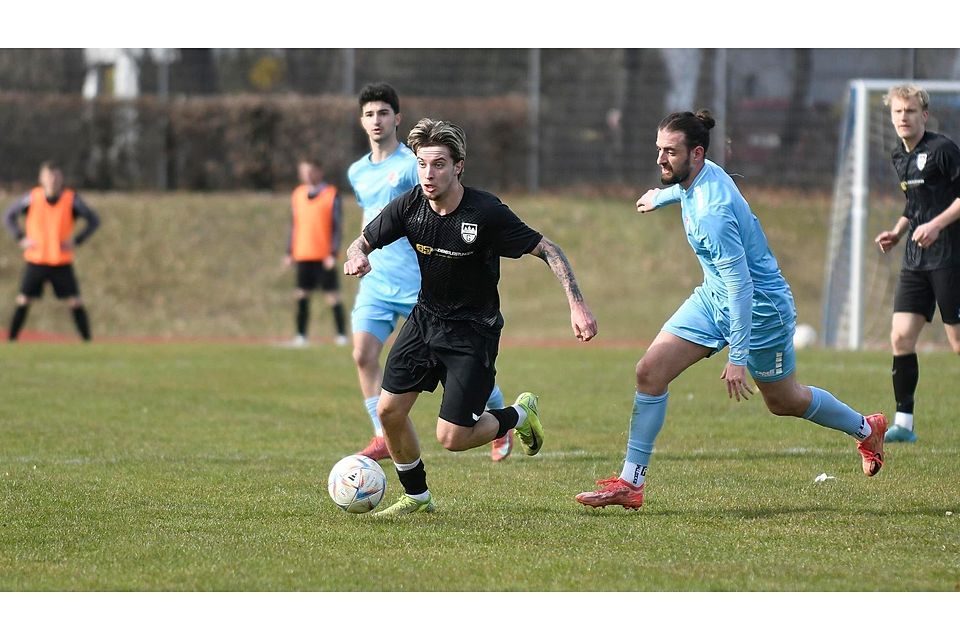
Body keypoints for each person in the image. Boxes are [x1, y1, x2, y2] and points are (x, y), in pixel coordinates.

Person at [575, 110, 886, 511]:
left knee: (783, 401)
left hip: (760, 309)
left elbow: (743, 287)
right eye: (659, 150)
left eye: (670, 152)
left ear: (697, 154)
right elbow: (687, 195)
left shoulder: (713, 213)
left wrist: (737, 358)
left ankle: (867, 428)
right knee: (649, 372)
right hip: (714, 298)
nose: (660, 160)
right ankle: (630, 484)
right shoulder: (700, 175)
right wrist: (662, 195)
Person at [344, 117, 597, 515]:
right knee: (389, 411)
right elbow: (363, 240)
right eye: (422, 164)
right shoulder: (411, 204)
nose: (428, 174)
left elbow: (547, 248)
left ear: (459, 166)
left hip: (472, 333)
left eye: (439, 164)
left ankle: (519, 414)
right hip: (425, 321)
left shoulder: (486, 212)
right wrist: (357, 255)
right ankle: (417, 497)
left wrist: (576, 304)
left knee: (453, 438)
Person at [346, 82, 513, 462]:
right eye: (369, 114)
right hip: (376, 279)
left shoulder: (413, 165)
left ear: (397, 119)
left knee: (460, 362)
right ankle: (380, 433)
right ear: (361, 120)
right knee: (362, 353)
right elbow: (372, 217)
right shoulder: (357, 171)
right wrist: (360, 251)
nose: (376, 120)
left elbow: (429, 211)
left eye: (383, 113)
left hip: (419, 279)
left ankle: (496, 415)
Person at [874, 84, 960, 444]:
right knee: (900, 337)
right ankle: (904, 425)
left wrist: (937, 225)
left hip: (950, 257)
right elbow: (915, 206)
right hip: (916, 259)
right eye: (897, 112)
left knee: (957, 343)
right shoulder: (900, 156)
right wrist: (897, 233)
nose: (903, 118)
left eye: (910, 111)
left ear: (924, 115)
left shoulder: (943, 151)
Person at [3, 160, 99, 342]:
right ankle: (11, 340)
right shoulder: (32, 197)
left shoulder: (71, 199)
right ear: (41, 178)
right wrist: (20, 237)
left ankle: (87, 342)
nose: (52, 180)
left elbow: (94, 220)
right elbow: (8, 216)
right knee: (23, 299)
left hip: (60, 260)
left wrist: (77, 240)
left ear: (61, 178)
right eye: (48, 176)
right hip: (36, 259)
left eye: (55, 176)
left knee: (75, 301)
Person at [284, 158, 348, 347]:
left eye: (310, 171)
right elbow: (294, 225)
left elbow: (337, 226)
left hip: (323, 255)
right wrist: (289, 251)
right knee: (302, 295)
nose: (306, 175)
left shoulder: (331, 194)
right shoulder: (297, 194)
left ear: (319, 172)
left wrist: (333, 252)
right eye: (303, 171)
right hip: (303, 253)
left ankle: (341, 335)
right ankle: (301, 336)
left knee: (332, 296)